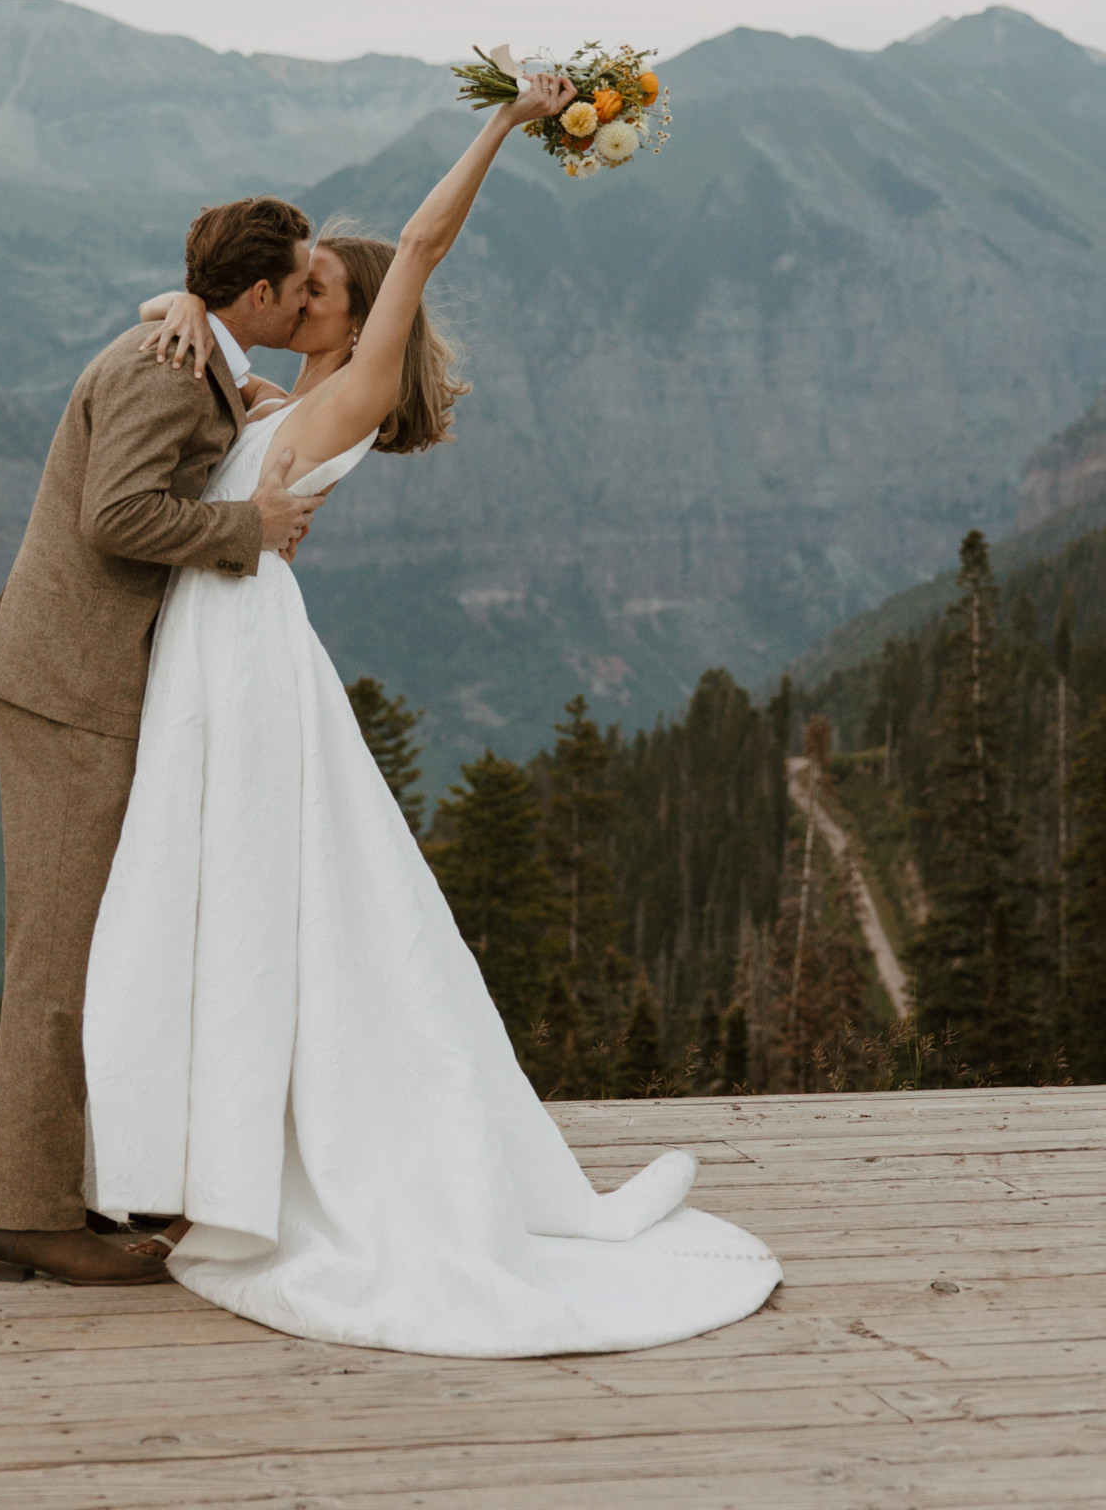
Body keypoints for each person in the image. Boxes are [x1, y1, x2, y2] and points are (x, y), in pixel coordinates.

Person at [83, 74, 782, 1354]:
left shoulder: (346, 394)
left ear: (352, 319)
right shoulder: (273, 397)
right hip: (211, 644)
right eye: (291, 291)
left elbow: (417, 244)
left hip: (242, 655)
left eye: (320, 293)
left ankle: (257, 1168)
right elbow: (192, 328)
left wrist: (508, 124)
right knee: (216, 895)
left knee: (252, 897)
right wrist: (182, 294)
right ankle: (215, 1156)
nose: (303, 298)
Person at [0, 194, 329, 1285]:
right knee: (58, 957)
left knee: (95, 946)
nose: (306, 299)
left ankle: (70, 1191)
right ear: (255, 294)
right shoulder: (165, 367)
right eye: (297, 285)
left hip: (87, 682)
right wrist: (246, 528)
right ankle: (24, 1219)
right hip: (69, 688)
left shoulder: (189, 348)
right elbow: (113, 517)